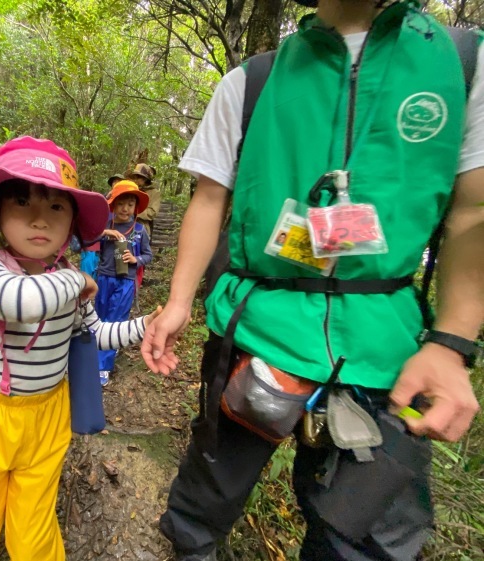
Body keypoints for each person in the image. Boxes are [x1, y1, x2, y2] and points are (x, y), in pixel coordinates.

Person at [141, 2, 483, 560]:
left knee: (362, 536)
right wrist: (178, 300)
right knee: (207, 491)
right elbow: (210, 197)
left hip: (387, 350)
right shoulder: (252, 81)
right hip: (257, 330)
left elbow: (474, 212)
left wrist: (451, 343)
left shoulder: (461, 64)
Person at [0, 136, 160, 561]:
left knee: (35, 519)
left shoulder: (67, 280)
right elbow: (19, 301)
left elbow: (95, 333)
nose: (40, 219)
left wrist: (146, 325)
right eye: (22, 202)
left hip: (47, 415)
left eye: (56, 207)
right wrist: (79, 280)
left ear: (72, 223)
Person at [96, 180, 154, 386]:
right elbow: (86, 238)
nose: (125, 209)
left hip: (126, 282)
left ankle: (103, 366)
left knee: (115, 321)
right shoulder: (106, 224)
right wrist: (106, 232)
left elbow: (149, 254)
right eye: (121, 203)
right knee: (99, 319)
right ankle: (95, 356)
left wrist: (135, 260)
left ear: (135, 208)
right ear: (113, 205)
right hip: (103, 278)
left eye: (130, 204)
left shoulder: (139, 230)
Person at [129, 163, 161, 236]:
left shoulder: (154, 193)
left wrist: (133, 211)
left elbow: (152, 212)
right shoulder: (131, 188)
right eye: (135, 177)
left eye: (138, 177)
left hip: (141, 225)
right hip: (124, 223)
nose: (135, 180)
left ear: (145, 179)